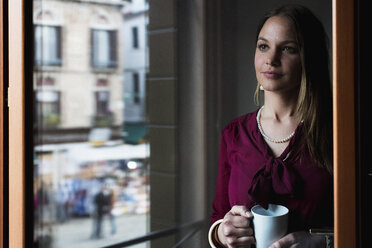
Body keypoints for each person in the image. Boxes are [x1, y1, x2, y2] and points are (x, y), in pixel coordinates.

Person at [209, 4, 333, 248]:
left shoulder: (337, 133)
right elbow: (218, 216)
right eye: (263, 46)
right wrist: (222, 234)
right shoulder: (234, 133)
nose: (271, 60)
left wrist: (324, 241)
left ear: (311, 58)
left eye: (288, 49)